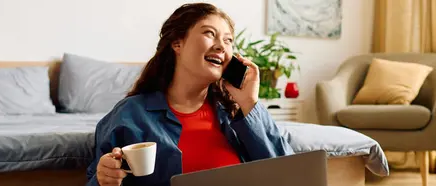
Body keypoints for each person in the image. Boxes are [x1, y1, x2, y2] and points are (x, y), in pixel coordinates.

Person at [85, 2, 295, 186]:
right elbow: (99, 178)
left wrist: (249, 103)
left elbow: (290, 175)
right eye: (209, 33)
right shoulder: (131, 114)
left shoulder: (235, 116)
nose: (221, 46)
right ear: (177, 43)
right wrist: (104, 179)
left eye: (229, 40)